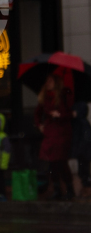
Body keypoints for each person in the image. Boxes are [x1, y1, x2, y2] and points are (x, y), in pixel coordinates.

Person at [35, 72, 75, 200]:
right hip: (50, 134)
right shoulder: (44, 97)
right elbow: (37, 113)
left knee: (61, 161)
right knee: (52, 163)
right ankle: (57, 189)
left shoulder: (63, 95)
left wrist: (60, 115)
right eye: (47, 81)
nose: (48, 83)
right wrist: (39, 125)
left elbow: (70, 114)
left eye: (51, 81)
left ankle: (69, 189)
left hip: (62, 134)